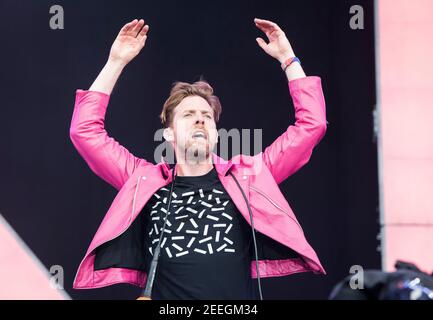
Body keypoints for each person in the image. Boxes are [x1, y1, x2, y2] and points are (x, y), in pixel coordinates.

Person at [70, 18, 327, 300]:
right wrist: (115, 62)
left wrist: (289, 60)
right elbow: (85, 132)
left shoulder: (248, 176)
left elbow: (311, 126)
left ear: (216, 133)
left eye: (207, 117)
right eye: (189, 115)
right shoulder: (143, 180)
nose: (200, 121)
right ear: (168, 134)